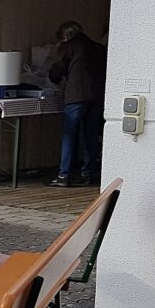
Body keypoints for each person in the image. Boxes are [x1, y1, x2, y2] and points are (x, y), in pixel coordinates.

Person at [45, 21, 106, 187]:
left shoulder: (68, 47)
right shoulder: (98, 47)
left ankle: (64, 175)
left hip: (77, 95)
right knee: (91, 135)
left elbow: (57, 70)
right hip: (97, 95)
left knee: (69, 134)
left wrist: (53, 78)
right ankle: (88, 174)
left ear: (65, 36)